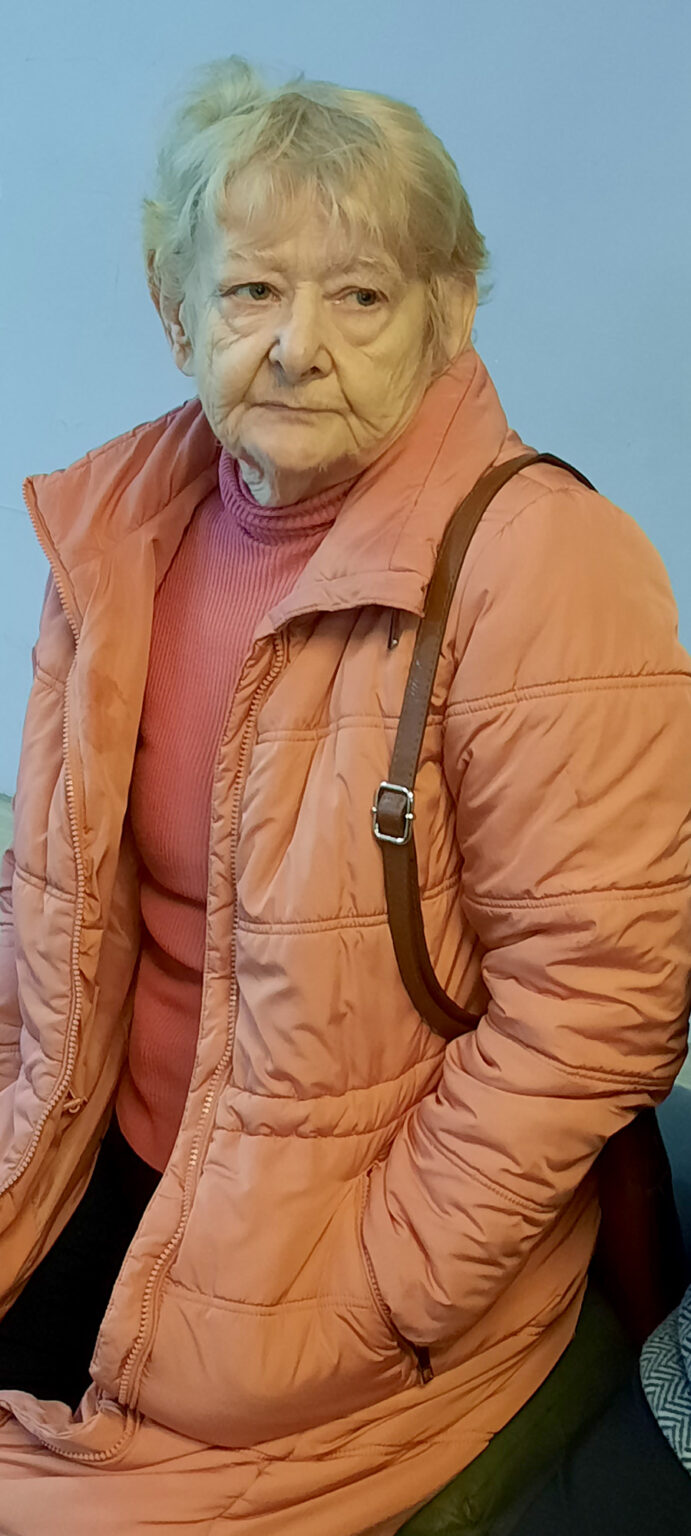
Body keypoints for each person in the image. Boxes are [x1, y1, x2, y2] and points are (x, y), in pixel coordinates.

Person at [0, 53, 689, 1536]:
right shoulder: (118, 535)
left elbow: (602, 1002)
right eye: (252, 291)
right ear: (176, 306)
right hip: (95, 1168)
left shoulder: (548, 567)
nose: (297, 347)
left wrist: (390, 1284)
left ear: (449, 310)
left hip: (337, 1256)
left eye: (361, 296)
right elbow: (48, 897)